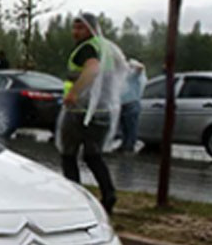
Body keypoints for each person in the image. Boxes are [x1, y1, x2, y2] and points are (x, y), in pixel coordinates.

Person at [58, 12, 122, 214]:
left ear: (91, 29)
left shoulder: (86, 49)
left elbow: (92, 69)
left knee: (68, 154)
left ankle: (75, 199)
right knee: (93, 155)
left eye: (80, 28)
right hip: (101, 111)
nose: (75, 32)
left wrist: (74, 93)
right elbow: (121, 67)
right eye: (74, 27)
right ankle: (109, 193)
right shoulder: (107, 48)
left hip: (80, 110)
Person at [118, 59, 146, 153]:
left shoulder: (136, 75)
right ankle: (124, 145)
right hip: (123, 104)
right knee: (125, 127)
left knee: (131, 128)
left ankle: (129, 147)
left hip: (132, 104)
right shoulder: (126, 76)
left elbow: (140, 68)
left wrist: (132, 64)